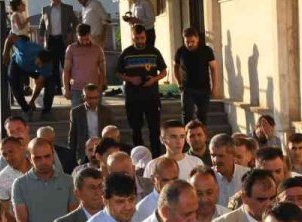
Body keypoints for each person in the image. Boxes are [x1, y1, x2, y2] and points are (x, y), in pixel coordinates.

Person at [117, 24, 167, 155]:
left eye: (142, 38)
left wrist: (154, 79)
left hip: (151, 97)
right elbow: (117, 73)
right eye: (137, 38)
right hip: (133, 98)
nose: (140, 41)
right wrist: (131, 79)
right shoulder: (126, 53)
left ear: (146, 37)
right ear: (132, 37)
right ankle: (139, 156)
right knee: (136, 129)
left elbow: (164, 71)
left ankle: (156, 155)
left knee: (154, 129)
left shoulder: (154, 51)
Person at [174, 27, 218, 123]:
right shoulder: (180, 51)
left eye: (192, 41)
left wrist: (214, 88)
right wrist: (179, 83)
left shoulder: (206, 50)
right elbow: (175, 67)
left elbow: (214, 68)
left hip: (204, 88)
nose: (189, 44)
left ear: (197, 39)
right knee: (187, 116)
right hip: (187, 88)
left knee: (202, 117)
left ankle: (202, 137)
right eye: (187, 42)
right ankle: (186, 137)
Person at [9, 37, 57, 117]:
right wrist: (5, 53)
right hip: (18, 64)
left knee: (51, 83)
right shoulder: (26, 48)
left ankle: (46, 112)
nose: (40, 66)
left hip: (31, 69)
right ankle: (26, 109)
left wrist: (32, 100)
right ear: (36, 57)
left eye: (43, 65)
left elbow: (39, 84)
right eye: (39, 63)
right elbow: (11, 38)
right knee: (14, 84)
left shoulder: (47, 66)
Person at [39, 0, 79, 98]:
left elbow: (76, 22)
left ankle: (69, 87)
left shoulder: (68, 8)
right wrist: (41, 37)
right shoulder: (45, 9)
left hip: (63, 40)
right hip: (51, 40)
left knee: (66, 64)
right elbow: (42, 25)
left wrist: (71, 33)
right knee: (53, 66)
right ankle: (57, 88)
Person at [69, 83, 115, 166]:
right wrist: (71, 155)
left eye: (95, 98)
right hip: (84, 154)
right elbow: (73, 135)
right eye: (90, 98)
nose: (93, 101)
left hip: (102, 151)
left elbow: (112, 132)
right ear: (83, 97)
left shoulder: (106, 112)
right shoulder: (76, 112)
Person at [63, 24, 106, 108]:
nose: (84, 42)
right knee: (77, 116)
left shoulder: (97, 49)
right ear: (77, 36)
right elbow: (66, 70)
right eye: (81, 39)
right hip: (77, 89)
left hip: (94, 89)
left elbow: (102, 70)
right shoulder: (71, 49)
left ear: (90, 35)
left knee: (96, 116)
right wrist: (66, 88)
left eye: (86, 39)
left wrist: (101, 86)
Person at [132, 155, 177, 222]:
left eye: (174, 179)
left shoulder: (185, 202)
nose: (171, 184)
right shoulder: (142, 209)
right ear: (153, 180)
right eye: (165, 180)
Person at [209, 133, 248, 207]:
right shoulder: (207, 177)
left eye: (221, 156)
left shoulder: (247, 176)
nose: (216, 160)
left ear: (233, 155)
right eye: (213, 155)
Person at [2, 0, 32, 66]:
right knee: (22, 56)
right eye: (22, 4)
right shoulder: (15, 15)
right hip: (20, 38)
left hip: (23, 38)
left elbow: (21, 29)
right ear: (18, 6)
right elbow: (19, 27)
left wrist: (28, 31)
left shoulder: (20, 15)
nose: (25, 6)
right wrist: (27, 21)